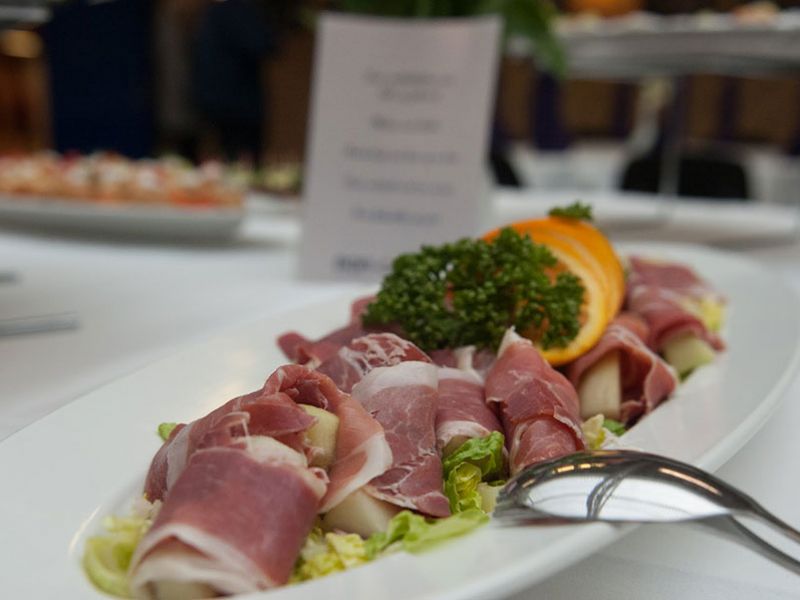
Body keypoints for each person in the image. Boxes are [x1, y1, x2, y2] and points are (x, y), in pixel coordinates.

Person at [191, 0, 276, 164]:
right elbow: (263, 44)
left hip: (218, 100)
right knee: (242, 159)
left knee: (228, 154)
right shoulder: (237, 12)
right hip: (239, 102)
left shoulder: (212, 13)